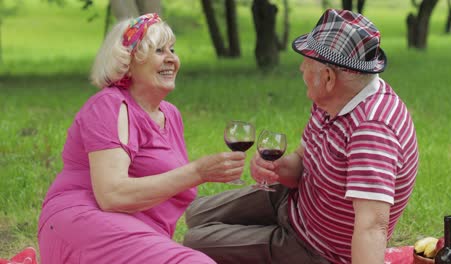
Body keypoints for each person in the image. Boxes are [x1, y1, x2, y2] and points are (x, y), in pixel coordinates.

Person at [183, 9, 419, 264]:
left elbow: (372, 227)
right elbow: (302, 160)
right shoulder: (334, 99)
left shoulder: (371, 132)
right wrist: (279, 168)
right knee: (196, 213)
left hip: (315, 248)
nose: (300, 68)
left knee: (194, 242)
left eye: (306, 62)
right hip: (297, 202)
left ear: (328, 77)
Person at [37, 13, 246, 264]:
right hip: (80, 221)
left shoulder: (170, 114)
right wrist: (198, 172)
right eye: (159, 50)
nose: (171, 58)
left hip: (135, 231)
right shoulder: (109, 105)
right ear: (128, 61)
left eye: (172, 49)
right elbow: (112, 196)